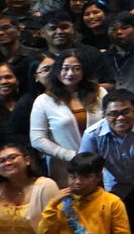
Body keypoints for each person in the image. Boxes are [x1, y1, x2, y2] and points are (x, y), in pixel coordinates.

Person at [79, 89, 134, 234]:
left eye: (126, 112)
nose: (120, 118)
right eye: (113, 113)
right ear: (104, 114)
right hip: (115, 190)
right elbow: (85, 171)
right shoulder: (92, 135)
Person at [30, 49, 105, 184]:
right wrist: (71, 155)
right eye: (65, 68)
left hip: (101, 163)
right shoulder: (44, 100)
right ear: (57, 70)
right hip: (65, 167)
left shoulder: (99, 93)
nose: (70, 73)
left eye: (76, 68)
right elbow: (37, 139)